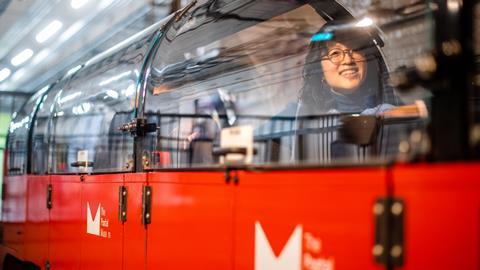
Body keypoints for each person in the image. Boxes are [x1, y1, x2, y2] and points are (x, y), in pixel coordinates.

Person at [296, 21, 399, 116]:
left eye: (355, 50)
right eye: (335, 53)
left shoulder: (391, 113)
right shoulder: (313, 120)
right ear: (319, 69)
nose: (348, 60)